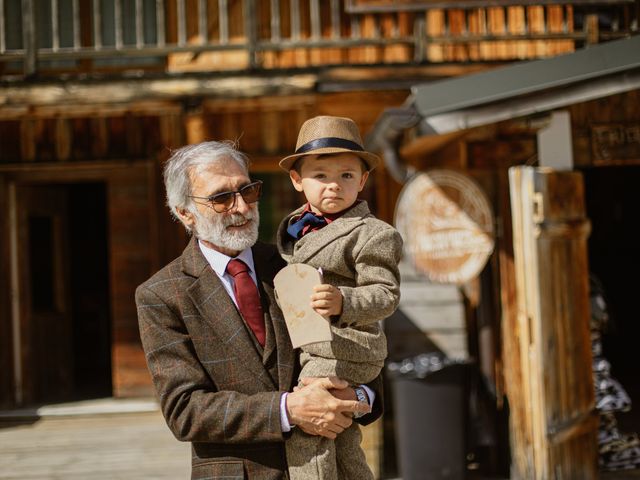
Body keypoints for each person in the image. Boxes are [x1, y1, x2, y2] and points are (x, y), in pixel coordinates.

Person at [135, 141, 382, 480]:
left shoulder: (293, 263)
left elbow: (358, 347)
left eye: (247, 191)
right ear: (184, 212)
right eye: (221, 198)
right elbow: (184, 411)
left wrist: (356, 396)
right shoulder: (161, 295)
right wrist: (288, 410)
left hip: (329, 466)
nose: (241, 207)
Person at [276, 116, 403, 480]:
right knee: (343, 437)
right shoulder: (292, 226)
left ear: (362, 181)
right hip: (310, 341)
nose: (333, 185)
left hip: (344, 345)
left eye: (346, 175)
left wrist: (344, 301)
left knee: (311, 422)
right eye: (320, 176)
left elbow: (386, 293)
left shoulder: (373, 234)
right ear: (297, 181)